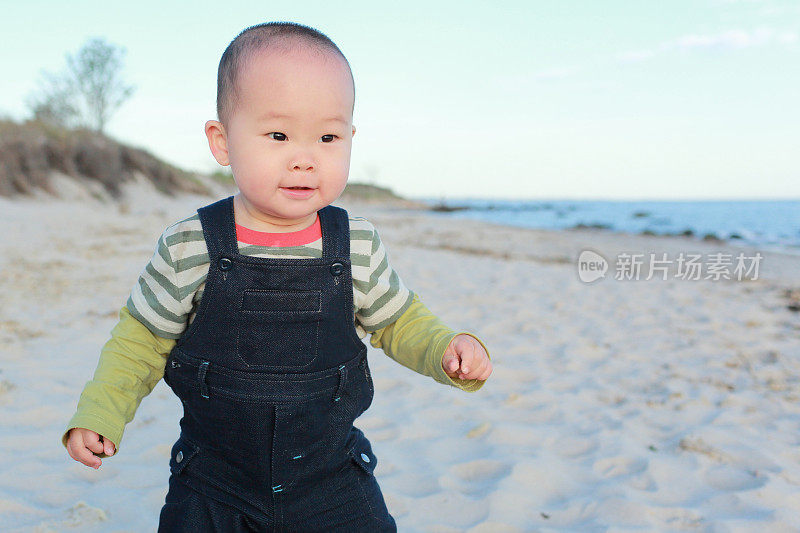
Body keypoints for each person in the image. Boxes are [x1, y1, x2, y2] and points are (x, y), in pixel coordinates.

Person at [62, 21, 492, 532]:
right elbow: (140, 339)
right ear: (222, 143)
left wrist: (446, 347)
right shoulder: (191, 244)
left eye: (328, 136)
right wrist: (101, 412)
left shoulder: (355, 243)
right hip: (214, 483)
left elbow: (398, 320)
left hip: (332, 480)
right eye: (278, 135)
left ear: (351, 138)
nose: (305, 158)